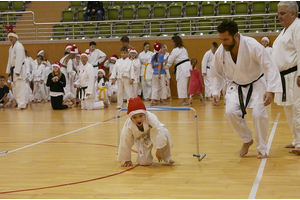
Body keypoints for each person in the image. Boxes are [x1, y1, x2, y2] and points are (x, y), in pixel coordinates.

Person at [210, 20, 282, 159]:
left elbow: (269, 65)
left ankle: (262, 147)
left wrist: (271, 90)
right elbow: (215, 72)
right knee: (230, 112)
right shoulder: (221, 51)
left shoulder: (252, 45)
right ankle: (247, 139)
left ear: (235, 35)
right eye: (220, 39)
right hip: (235, 85)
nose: (223, 43)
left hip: (257, 83)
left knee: (258, 115)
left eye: (225, 39)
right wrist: (215, 91)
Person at [271, 1, 300, 155]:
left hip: (295, 75)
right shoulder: (286, 30)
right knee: (289, 109)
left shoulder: (298, 27)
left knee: (298, 109)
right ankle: (296, 140)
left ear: (293, 14)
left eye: (282, 13)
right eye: (279, 13)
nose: (279, 16)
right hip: (285, 76)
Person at [117, 96, 175, 167]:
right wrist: (127, 159)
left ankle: (167, 158)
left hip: (157, 135)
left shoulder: (151, 117)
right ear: (131, 118)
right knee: (144, 162)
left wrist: (158, 150)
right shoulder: (129, 125)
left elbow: (158, 132)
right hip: (143, 139)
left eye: (141, 116)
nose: (138, 120)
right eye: (134, 117)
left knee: (164, 132)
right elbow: (125, 140)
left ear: (145, 114)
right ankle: (148, 158)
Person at [5, 25, 27, 110]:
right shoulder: (11, 47)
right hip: (13, 69)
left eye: (12, 37)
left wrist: (17, 71)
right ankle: (19, 103)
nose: (10, 38)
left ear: (16, 38)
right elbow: (10, 60)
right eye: (9, 37)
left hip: (19, 69)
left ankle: (22, 104)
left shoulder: (19, 46)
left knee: (20, 87)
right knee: (15, 87)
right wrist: (8, 72)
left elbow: (19, 59)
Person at [165, 36, 192, 105]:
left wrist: (165, 66)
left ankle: (186, 100)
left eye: (173, 42)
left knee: (182, 84)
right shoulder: (183, 48)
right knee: (182, 84)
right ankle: (185, 99)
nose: (172, 43)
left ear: (176, 42)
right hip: (185, 67)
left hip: (182, 68)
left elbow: (170, 60)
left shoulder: (176, 50)